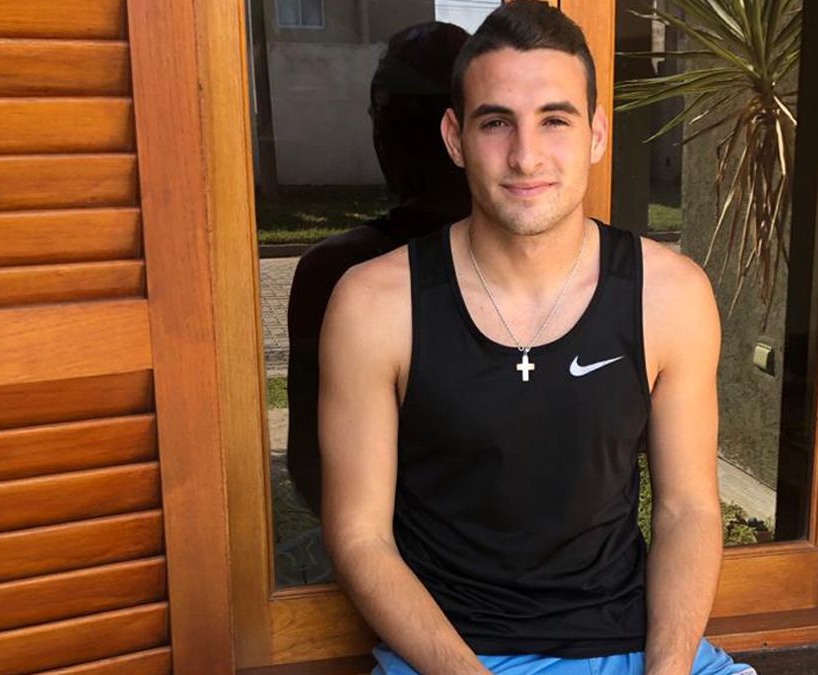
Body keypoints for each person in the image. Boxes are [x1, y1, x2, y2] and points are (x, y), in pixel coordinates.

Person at [318, 3, 755, 674]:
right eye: (496, 122)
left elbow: (687, 508)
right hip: (452, 657)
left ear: (596, 135)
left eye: (555, 120)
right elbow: (359, 535)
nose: (525, 156)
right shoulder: (375, 305)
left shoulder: (671, 295)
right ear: (455, 137)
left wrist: (666, 671)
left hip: (631, 646)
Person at [286, 21, 472, 518]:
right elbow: (313, 465)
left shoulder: (332, 270)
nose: (382, 135)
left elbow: (310, 466)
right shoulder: (337, 271)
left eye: (390, 116)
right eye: (380, 114)